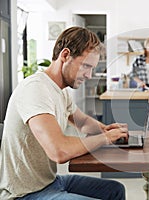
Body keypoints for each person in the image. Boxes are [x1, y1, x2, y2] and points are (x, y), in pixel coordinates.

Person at [0, 27, 127, 200]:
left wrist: (106, 129)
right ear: (65, 55)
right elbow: (59, 151)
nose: (89, 75)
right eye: (86, 66)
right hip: (24, 193)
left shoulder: (60, 90)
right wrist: (105, 138)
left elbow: (83, 122)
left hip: (50, 182)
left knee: (115, 190)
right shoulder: (35, 89)